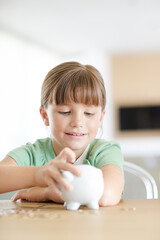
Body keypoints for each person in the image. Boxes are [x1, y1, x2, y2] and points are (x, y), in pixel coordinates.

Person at [0, 61, 124, 206]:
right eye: (65, 112)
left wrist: (47, 193)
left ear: (101, 118)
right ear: (45, 116)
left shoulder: (106, 151)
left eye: (89, 113)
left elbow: (106, 195)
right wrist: (37, 175)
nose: (78, 122)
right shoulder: (32, 153)